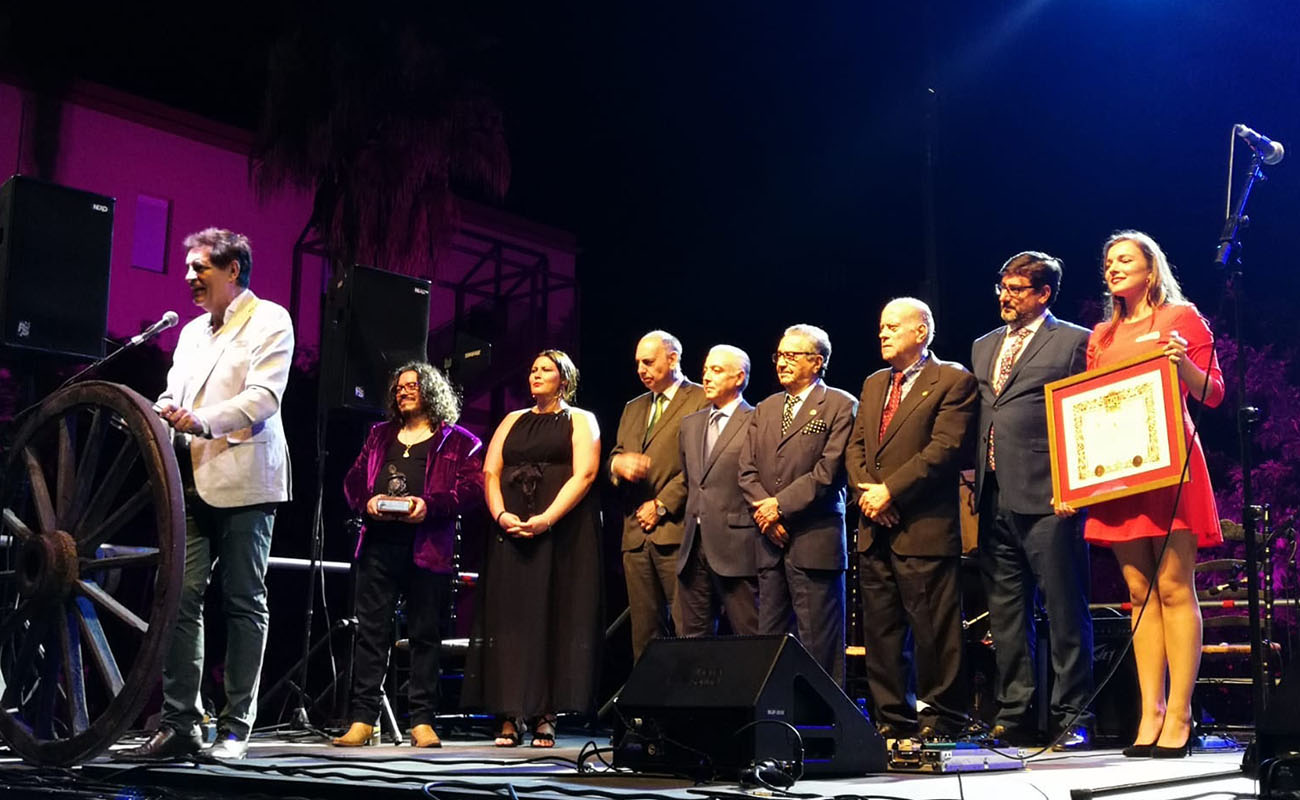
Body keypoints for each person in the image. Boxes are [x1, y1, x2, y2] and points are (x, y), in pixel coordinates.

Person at [117, 228, 294, 761]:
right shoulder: (191, 331)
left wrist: (200, 420)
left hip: (244, 477)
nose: (190, 278)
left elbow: (263, 398)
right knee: (180, 598)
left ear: (233, 269)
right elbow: (175, 390)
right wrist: (162, 411)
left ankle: (237, 727)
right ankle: (180, 724)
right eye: (189, 268)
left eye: (201, 268)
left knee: (243, 601)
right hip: (188, 480)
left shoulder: (270, 320)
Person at [1063, 231, 1223, 759]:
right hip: (1118, 474)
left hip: (1170, 463)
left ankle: (1180, 712)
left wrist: (1183, 364)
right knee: (1138, 594)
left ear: (1150, 268)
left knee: (1175, 587)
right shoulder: (1101, 335)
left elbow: (1213, 393)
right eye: (1107, 260)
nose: (1112, 267)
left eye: (1124, 259)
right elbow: (1084, 409)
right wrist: (1073, 480)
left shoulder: (1181, 319)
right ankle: (1149, 711)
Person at [971, 253, 1094, 750]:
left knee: (1065, 609)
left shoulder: (1073, 341)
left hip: (1050, 496)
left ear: (1044, 294)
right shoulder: (983, 347)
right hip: (994, 492)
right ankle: (1015, 713)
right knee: (1005, 614)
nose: (1006, 295)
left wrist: (1077, 486)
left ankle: (1073, 714)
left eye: (1018, 288)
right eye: (1003, 286)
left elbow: (1085, 414)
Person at [333, 362, 484, 748]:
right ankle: (363, 720)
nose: (403, 391)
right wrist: (367, 502)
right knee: (371, 634)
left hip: (427, 549)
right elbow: (352, 480)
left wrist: (427, 505)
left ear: (431, 390)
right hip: (378, 545)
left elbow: (469, 490)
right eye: (399, 387)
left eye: (412, 386)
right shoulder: (378, 435)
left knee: (424, 635)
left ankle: (422, 721)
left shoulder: (459, 441)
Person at [845, 298, 976, 740]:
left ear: (921, 332)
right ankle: (891, 719)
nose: (882, 333)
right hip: (874, 525)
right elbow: (856, 447)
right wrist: (868, 494)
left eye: (892, 326)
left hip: (922, 526)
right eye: (881, 326)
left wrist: (890, 492)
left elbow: (943, 450)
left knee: (934, 632)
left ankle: (943, 718)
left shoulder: (952, 380)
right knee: (881, 633)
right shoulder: (873, 383)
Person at [463, 350, 603, 748]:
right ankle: (509, 712)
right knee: (509, 619)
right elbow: (490, 471)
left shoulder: (580, 420)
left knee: (552, 614)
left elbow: (586, 473)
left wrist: (547, 518)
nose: (537, 374)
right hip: (511, 529)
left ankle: (545, 713)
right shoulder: (511, 420)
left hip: (560, 532)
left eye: (546, 369)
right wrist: (501, 514)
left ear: (564, 378)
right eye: (533, 369)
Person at [739, 324, 857, 684]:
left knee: (818, 642)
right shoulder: (766, 407)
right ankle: (773, 724)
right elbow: (746, 470)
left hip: (814, 538)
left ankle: (824, 724)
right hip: (769, 540)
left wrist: (780, 507)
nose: (782, 363)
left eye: (792, 355)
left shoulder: (840, 404)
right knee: (768, 641)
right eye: (779, 356)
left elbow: (828, 471)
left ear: (817, 361)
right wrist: (766, 513)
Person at [609, 331, 708, 660]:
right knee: (645, 635)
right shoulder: (633, 407)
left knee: (688, 628)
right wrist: (617, 465)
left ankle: (691, 708)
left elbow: (702, 466)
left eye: (648, 362)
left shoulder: (700, 400)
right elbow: (617, 453)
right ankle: (649, 711)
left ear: (673, 359)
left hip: (678, 532)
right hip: (636, 537)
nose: (641, 369)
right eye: (638, 362)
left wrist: (663, 505)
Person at [675, 345, 760, 637]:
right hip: (693, 546)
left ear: (739, 378)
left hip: (737, 545)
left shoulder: (757, 420)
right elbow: (691, 480)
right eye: (706, 370)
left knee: (750, 636)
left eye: (717, 370)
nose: (707, 377)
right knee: (693, 640)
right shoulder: (690, 424)